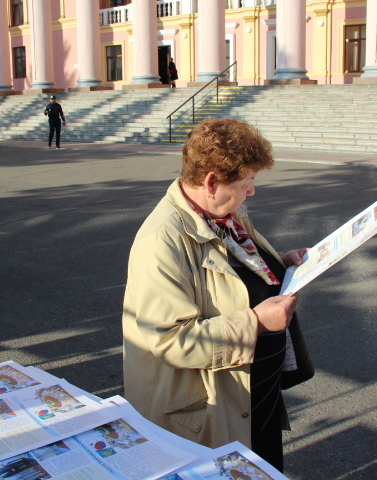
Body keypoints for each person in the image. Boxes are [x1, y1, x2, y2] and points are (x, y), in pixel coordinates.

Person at [122, 118, 314, 472]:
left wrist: (280, 264)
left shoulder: (222, 217)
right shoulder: (162, 240)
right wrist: (255, 322)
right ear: (211, 182)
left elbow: (238, 273)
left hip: (252, 397)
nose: (252, 191)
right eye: (247, 182)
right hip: (210, 413)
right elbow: (169, 339)